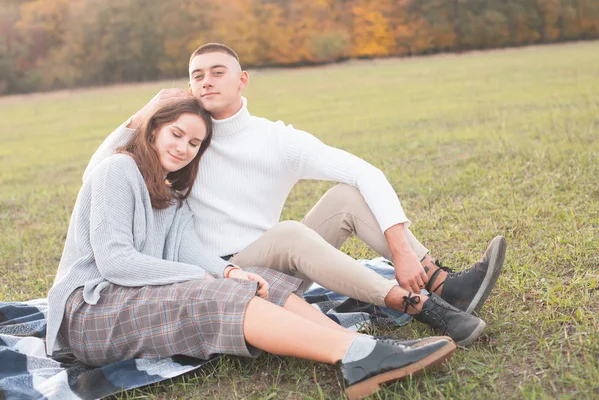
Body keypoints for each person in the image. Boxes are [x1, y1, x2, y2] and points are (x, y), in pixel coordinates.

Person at [83, 43, 507, 345]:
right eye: (197, 75)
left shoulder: (276, 139)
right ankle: (419, 305)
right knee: (288, 233)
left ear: (242, 80)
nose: (206, 81)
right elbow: (100, 174)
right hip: (216, 273)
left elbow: (366, 172)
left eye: (217, 72)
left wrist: (402, 250)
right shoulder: (183, 142)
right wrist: (143, 113)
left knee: (347, 195)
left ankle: (444, 284)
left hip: (279, 267)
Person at [45, 97, 457, 399]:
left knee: (260, 282)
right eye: (176, 134)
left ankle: (368, 352)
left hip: (132, 299)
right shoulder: (118, 170)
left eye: (193, 143)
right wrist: (211, 278)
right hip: (89, 312)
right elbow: (116, 262)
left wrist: (229, 272)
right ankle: (352, 353)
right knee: (210, 293)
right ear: (153, 129)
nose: (183, 147)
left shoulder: (171, 197)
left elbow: (191, 252)